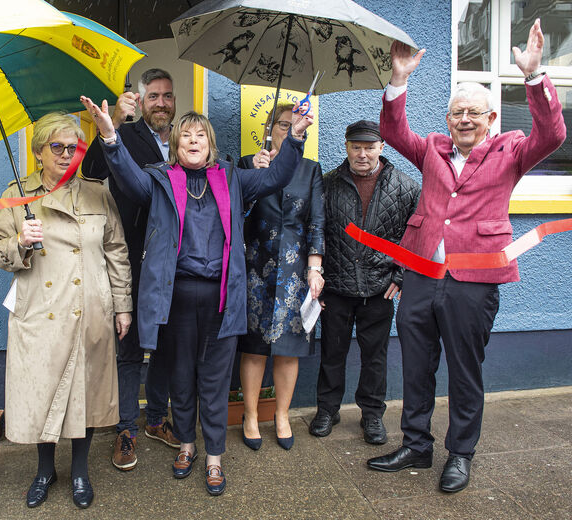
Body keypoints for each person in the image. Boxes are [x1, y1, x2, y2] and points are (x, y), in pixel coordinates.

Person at [367, 19, 566, 493]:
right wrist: (399, 80)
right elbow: (393, 132)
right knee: (416, 365)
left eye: (473, 113)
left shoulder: (511, 150)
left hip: (473, 282)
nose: (464, 120)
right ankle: (416, 445)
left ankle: (460, 453)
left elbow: (554, 134)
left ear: (491, 118)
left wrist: (534, 78)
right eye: (457, 113)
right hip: (421, 277)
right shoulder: (432, 149)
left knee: (464, 370)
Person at [80, 93, 313, 496]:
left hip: (223, 298)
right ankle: (187, 445)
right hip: (177, 297)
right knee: (182, 377)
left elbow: (276, 177)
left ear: (210, 145)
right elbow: (127, 179)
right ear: (175, 144)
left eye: (200, 135)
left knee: (216, 380)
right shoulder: (159, 179)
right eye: (185, 134)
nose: (192, 140)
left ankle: (215, 457)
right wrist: (109, 135)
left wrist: (292, 139)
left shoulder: (232, 178)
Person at [0, 112, 132, 509]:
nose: (67, 154)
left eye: (74, 147)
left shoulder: (97, 192)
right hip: (41, 312)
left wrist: (122, 306)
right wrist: (19, 240)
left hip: (90, 308)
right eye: (58, 147)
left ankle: (81, 471)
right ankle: (45, 469)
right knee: (43, 393)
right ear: (38, 153)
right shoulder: (17, 194)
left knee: (84, 392)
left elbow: (116, 250)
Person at [82, 68, 179, 470]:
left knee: (166, 347)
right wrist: (115, 122)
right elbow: (90, 171)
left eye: (167, 96)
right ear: (140, 100)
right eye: (153, 96)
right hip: (133, 258)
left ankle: (155, 419)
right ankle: (126, 428)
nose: (161, 103)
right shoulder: (126, 134)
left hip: (174, 263)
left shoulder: (184, 137)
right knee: (129, 347)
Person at [311, 120, 420, 445]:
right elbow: (316, 232)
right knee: (332, 353)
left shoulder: (405, 187)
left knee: (375, 356)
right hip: (337, 287)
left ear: (382, 148)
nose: (362, 154)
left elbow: (416, 237)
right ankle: (327, 410)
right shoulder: (327, 184)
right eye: (356, 147)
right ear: (346, 146)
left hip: (379, 288)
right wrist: (318, 278)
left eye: (369, 147)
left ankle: (372, 414)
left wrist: (400, 275)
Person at [238, 102, 325, 451]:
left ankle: (283, 414)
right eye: (283, 125)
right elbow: (235, 217)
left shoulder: (310, 170)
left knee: (290, 349)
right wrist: (254, 178)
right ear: (269, 129)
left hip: (295, 272)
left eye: (297, 126)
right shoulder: (248, 164)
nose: (289, 131)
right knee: (254, 348)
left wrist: (315, 268)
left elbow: (317, 221)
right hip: (254, 267)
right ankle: (249, 414)